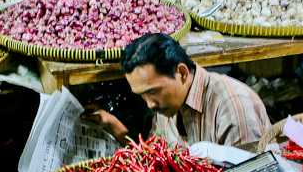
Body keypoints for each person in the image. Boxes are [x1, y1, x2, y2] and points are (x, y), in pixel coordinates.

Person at [89, 34, 271, 147]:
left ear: (182, 73)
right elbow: (154, 161)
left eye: (152, 92)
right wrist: (113, 125)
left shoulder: (232, 106)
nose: (149, 104)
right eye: (142, 95)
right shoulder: (167, 107)